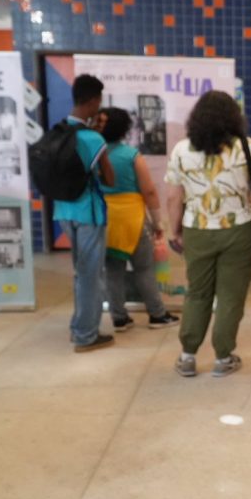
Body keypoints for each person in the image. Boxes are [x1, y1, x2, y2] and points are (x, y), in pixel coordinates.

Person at [165, 90, 251, 377]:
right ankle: (223, 357)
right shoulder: (247, 147)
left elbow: (173, 197)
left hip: (197, 230)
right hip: (238, 230)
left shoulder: (181, 150)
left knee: (197, 292)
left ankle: (187, 356)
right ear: (233, 117)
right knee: (231, 295)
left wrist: (175, 230)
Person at [95, 107, 179, 332]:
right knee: (144, 268)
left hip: (106, 218)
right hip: (133, 219)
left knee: (113, 270)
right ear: (125, 129)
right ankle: (157, 314)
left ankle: (119, 318)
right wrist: (158, 222)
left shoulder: (94, 155)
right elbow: (149, 192)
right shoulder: (131, 155)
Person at [53, 74, 116, 353]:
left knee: (81, 272)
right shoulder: (91, 138)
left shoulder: (58, 130)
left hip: (63, 210)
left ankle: (78, 326)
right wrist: (99, 144)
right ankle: (86, 335)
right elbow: (110, 179)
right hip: (88, 213)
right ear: (92, 102)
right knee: (91, 275)